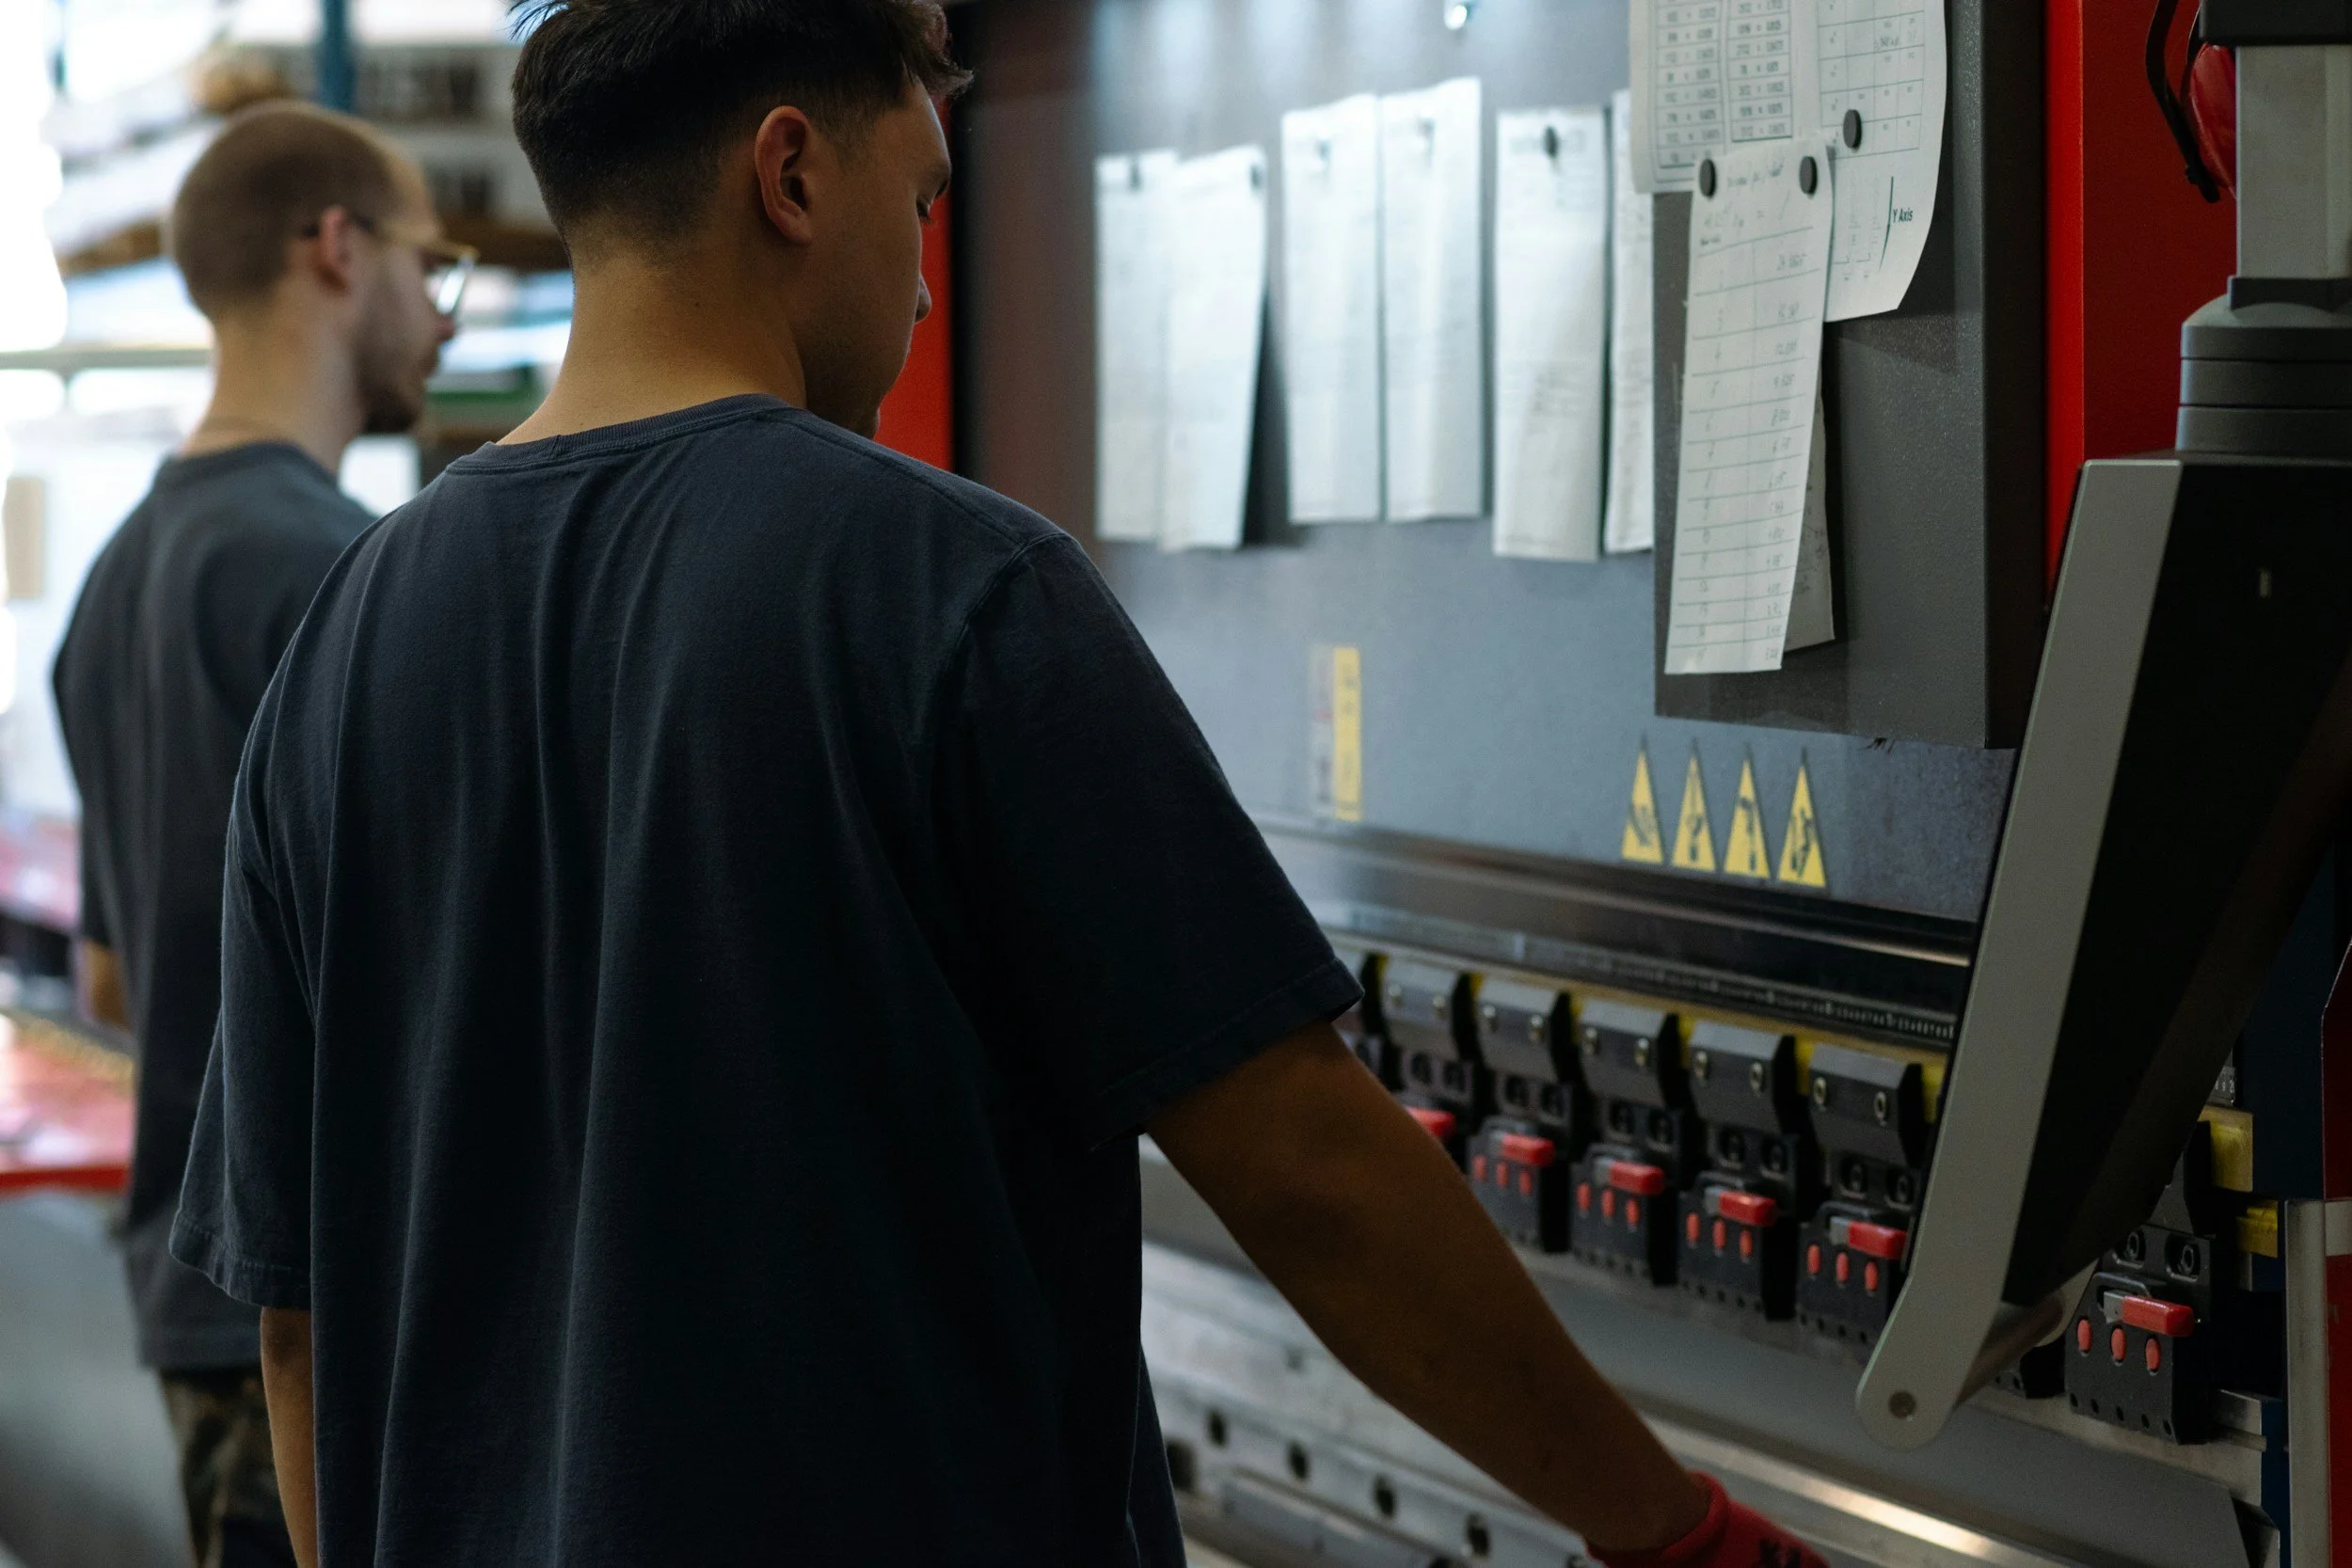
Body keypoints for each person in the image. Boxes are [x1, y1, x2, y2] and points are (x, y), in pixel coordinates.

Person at [167, 5, 1826, 1566]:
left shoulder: (341, 642)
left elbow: (300, 1331)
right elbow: (1310, 1170)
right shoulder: (946, 588)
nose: (926, 288)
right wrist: (1673, 1532)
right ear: (794, 173)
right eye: (925, 199)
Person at [53, 102, 460, 1568]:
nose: (445, 314)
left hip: (195, 1293)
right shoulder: (338, 575)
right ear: (338, 249)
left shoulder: (116, 583)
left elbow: (112, 983)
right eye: (434, 265)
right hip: (330, 1309)